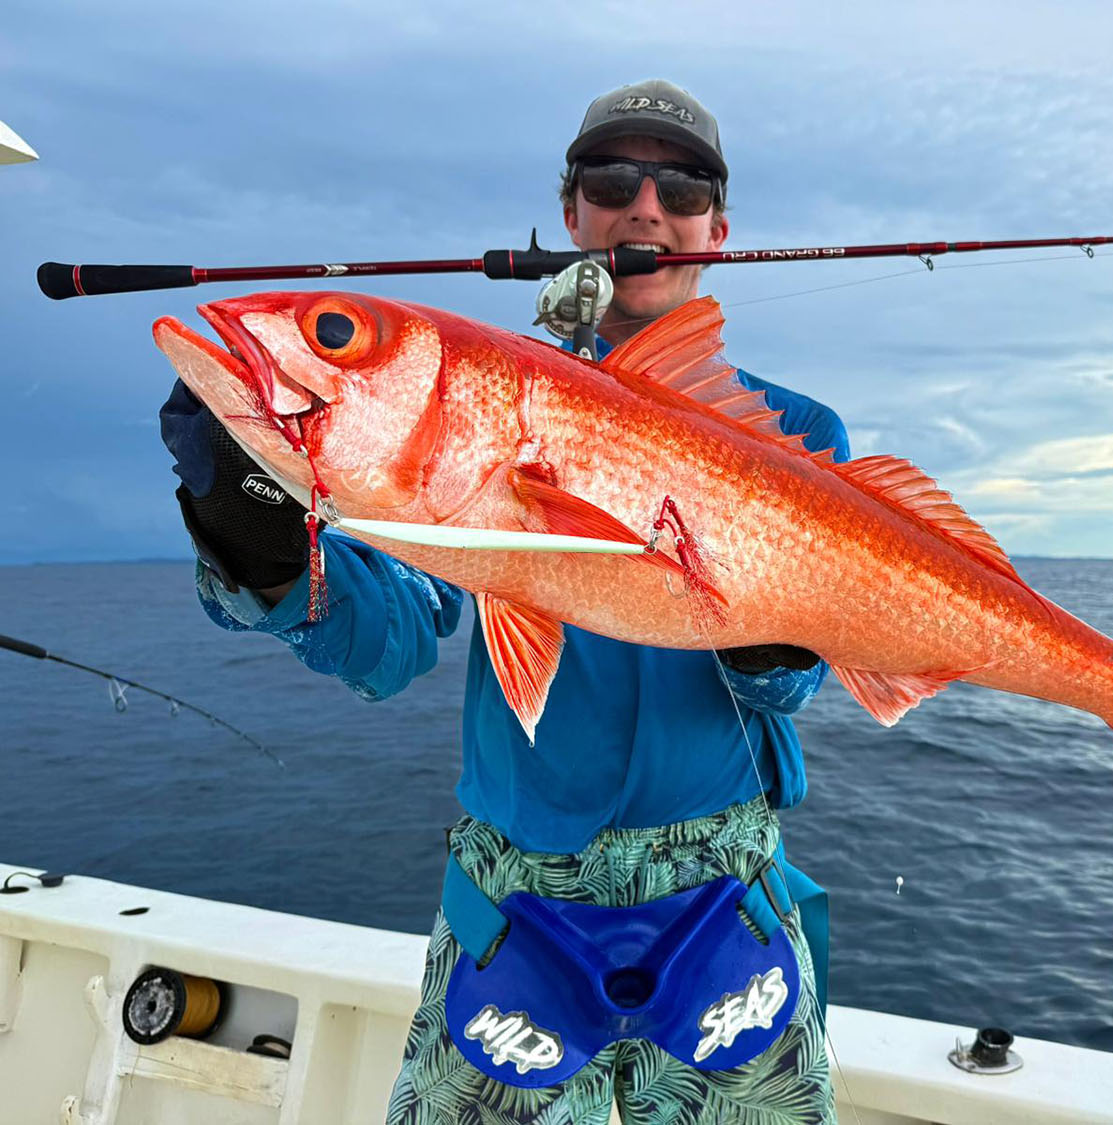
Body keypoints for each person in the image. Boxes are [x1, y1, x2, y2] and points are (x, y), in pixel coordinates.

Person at [160, 79, 848, 1125]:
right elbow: (384, 646)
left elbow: (792, 691)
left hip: (726, 879)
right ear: (572, 212)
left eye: (684, 185)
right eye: (613, 179)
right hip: (518, 892)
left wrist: (773, 642)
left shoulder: (792, 431)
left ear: (720, 226)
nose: (646, 208)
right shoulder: (463, 421)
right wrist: (252, 533)